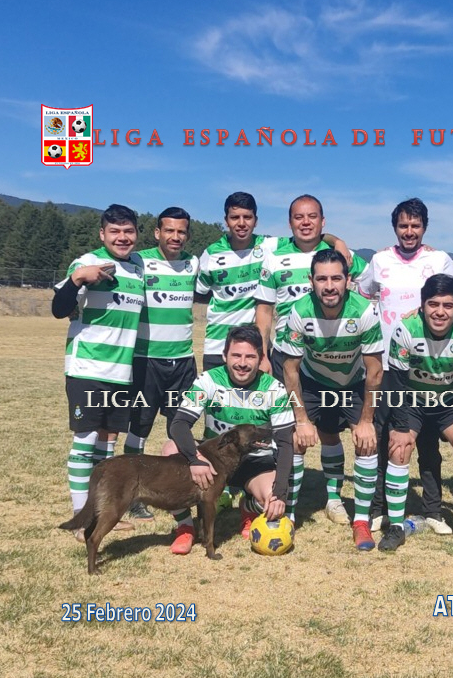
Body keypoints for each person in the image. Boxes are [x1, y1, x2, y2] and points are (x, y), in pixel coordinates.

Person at [357, 198, 453, 535]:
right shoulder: (379, 260)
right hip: (387, 364)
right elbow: (362, 294)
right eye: (403, 225)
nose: (409, 231)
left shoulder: (438, 260)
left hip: (429, 364)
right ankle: (379, 508)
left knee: (428, 440)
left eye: (416, 225)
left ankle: (433, 510)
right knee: (386, 436)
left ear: (425, 227)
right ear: (395, 227)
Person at [275, 249, 384, 550]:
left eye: (336, 278)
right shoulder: (299, 311)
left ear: (348, 280)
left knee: (367, 441)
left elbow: (375, 371)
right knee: (295, 439)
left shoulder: (364, 311)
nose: (329, 286)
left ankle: (360, 521)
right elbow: (290, 369)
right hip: (313, 382)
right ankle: (288, 515)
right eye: (322, 279)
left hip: (353, 383)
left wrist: (366, 420)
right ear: (311, 281)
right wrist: (301, 419)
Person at [51, 204, 145, 537]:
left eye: (128, 231)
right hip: (88, 367)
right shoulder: (86, 263)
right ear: (102, 234)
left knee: (107, 444)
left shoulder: (138, 267)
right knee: (86, 440)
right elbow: (59, 309)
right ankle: (81, 519)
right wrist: (78, 279)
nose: (122, 237)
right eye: (114, 231)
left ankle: (102, 512)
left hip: (121, 372)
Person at [161, 326, 295, 554]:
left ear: (261, 358)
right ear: (224, 355)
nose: (242, 363)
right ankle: (185, 527)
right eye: (236, 355)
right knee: (171, 449)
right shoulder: (208, 380)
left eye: (250, 356)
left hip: (255, 462)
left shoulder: (274, 389)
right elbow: (179, 424)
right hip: (214, 461)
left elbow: (284, 443)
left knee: (271, 500)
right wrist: (195, 458)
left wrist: (280, 493)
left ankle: (249, 505)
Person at [377, 274, 453, 553]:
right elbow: (397, 383)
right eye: (433, 304)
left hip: (449, 403)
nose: (440, 312)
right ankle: (396, 526)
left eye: (448, 305)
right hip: (412, 401)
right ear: (422, 305)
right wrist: (401, 428)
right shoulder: (406, 329)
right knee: (399, 450)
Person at [197, 192, 353, 373]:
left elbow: (307, 234)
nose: (241, 223)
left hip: (253, 348)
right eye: (234, 217)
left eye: (247, 217)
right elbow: (200, 293)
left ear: (256, 221)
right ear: (226, 221)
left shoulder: (269, 246)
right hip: (217, 345)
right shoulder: (211, 254)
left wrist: (338, 242)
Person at [122, 207, 200, 523]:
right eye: (169, 230)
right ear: (157, 233)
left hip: (182, 362)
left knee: (179, 429)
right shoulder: (138, 261)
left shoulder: (194, 263)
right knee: (138, 428)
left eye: (181, 231)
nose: (175, 236)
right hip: (146, 361)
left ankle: (178, 491)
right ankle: (131, 495)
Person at [255, 194, 366, 380]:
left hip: (332, 357)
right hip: (286, 354)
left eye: (312, 216)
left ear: (323, 221)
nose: (306, 222)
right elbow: (264, 311)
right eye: (299, 217)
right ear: (290, 223)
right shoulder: (273, 259)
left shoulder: (341, 255)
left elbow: (377, 283)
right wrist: (263, 355)